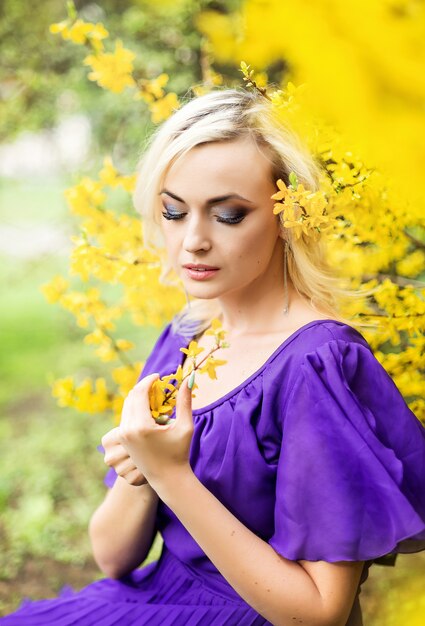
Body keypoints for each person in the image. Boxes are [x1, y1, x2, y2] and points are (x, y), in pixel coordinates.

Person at [2, 88, 425, 626]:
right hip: (155, 600)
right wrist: (143, 470)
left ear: (287, 216)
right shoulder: (186, 337)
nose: (192, 241)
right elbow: (112, 556)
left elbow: (320, 613)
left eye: (228, 215)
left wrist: (173, 475)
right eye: (174, 212)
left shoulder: (316, 364)